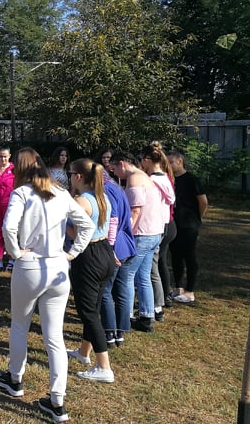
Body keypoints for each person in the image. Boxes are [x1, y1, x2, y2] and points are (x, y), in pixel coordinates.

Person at [0, 147, 94, 423]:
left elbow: (8, 227)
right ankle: (57, 400)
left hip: (30, 266)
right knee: (54, 336)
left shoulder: (22, 193)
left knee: (20, 325)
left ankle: (15, 378)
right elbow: (87, 225)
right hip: (58, 268)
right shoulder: (61, 193)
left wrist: (15, 252)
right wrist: (72, 253)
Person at [66, 158, 116, 383]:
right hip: (105, 251)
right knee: (94, 307)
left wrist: (63, 224)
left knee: (87, 312)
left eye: (70, 174)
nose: (69, 177)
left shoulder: (81, 201)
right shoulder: (102, 197)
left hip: (88, 257)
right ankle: (84, 352)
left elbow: (76, 233)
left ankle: (104, 367)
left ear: (78, 176)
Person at [109, 151, 163, 332]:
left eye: (114, 168)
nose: (114, 173)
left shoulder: (134, 179)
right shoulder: (145, 177)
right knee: (143, 276)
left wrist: (126, 235)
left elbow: (135, 211)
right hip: (154, 233)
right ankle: (147, 316)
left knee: (127, 276)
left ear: (122, 163)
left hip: (141, 234)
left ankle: (126, 317)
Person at [99, 175, 137, 348]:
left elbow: (113, 219)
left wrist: (110, 248)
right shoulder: (117, 188)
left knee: (105, 291)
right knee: (121, 290)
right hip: (127, 245)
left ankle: (109, 332)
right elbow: (128, 218)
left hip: (115, 248)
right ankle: (120, 333)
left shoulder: (105, 190)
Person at [167, 150, 209, 304]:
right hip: (174, 223)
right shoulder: (169, 179)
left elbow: (203, 202)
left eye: (171, 162)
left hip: (189, 224)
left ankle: (190, 290)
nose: (168, 165)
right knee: (175, 256)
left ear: (180, 161)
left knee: (189, 256)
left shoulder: (192, 179)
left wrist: (197, 217)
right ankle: (178, 287)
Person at [140, 143, 175, 320]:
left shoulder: (152, 180)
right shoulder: (165, 177)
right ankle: (157, 305)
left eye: (141, 160)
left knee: (150, 269)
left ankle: (156, 307)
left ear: (147, 160)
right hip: (164, 225)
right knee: (154, 267)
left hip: (156, 227)